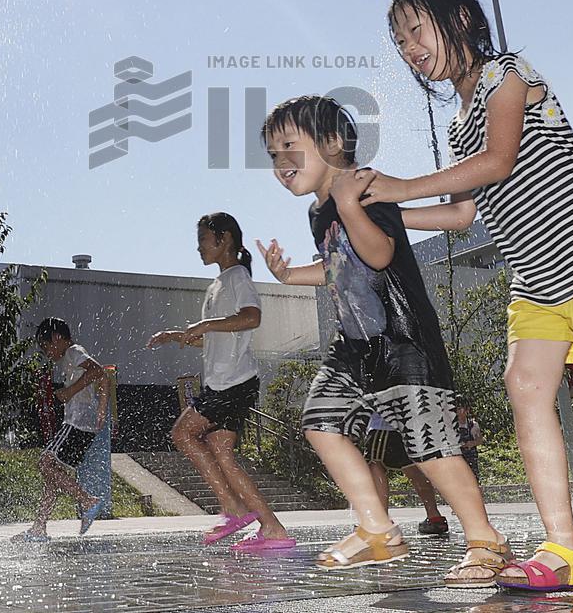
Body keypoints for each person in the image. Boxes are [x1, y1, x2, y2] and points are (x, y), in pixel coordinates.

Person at [360, 0, 573, 591]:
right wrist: (376, 213)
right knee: (524, 387)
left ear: (461, 17)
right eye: (399, 41)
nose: (409, 48)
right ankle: (562, 552)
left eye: (416, 29)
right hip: (538, 278)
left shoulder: (507, 74)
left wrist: (399, 186)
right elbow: (461, 214)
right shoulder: (460, 117)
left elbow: (500, 161)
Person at [258, 95, 509, 586]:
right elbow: (339, 267)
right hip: (354, 346)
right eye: (272, 154)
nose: (280, 161)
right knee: (320, 422)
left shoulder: (365, 188)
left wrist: (350, 205)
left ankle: (486, 539)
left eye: (290, 146)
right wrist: (290, 275)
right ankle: (377, 528)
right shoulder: (319, 211)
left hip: (402, 338)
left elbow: (378, 254)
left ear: (332, 142)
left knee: (430, 446)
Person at [147, 212, 295, 552]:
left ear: (224, 239)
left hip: (231, 383)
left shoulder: (237, 276)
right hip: (228, 382)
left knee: (182, 434)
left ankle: (231, 507)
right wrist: (178, 335)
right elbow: (215, 336)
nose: (198, 248)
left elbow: (251, 317)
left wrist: (207, 324)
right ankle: (272, 528)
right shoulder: (218, 284)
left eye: (202, 240)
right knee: (223, 456)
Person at [13, 317, 108, 543]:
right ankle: (39, 528)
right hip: (83, 425)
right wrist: (102, 410)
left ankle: (87, 500)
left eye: (46, 346)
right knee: (51, 477)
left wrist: (69, 392)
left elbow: (97, 370)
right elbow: (104, 378)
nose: (47, 353)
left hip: (76, 423)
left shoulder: (73, 351)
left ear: (56, 338)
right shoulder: (71, 357)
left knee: (44, 463)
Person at [363, 411, 450, 536]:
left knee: (375, 464)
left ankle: (381, 520)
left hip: (384, 425)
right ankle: (434, 517)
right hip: (411, 425)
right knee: (414, 469)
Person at [455, 398, 483, 480]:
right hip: (457, 459)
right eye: (456, 408)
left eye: (460, 408)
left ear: (467, 409)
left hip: (471, 459)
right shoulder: (451, 425)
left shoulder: (473, 424)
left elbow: (480, 440)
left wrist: (471, 443)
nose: (458, 411)